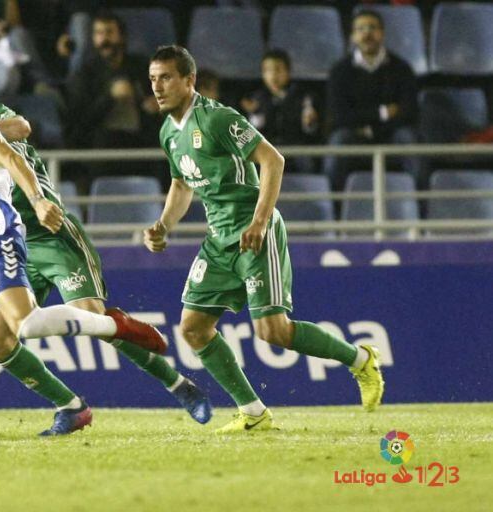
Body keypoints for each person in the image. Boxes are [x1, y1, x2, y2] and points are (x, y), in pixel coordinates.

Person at [0, 69, 213, 435]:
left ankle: (178, 386)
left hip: (49, 232)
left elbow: (21, 129)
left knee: (89, 316)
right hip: (0, 243)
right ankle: (71, 407)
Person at [144, 46, 385, 433]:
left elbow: (273, 160)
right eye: (153, 79)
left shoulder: (218, 118)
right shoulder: (167, 132)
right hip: (219, 239)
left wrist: (259, 221)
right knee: (193, 327)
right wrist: (164, 224)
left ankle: (360, 359)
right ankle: (253, 411)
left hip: (256, 233)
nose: (157, 86)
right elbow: (180, 183)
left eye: (166, 77)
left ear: (189, 81)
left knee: (272, 331)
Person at [324, 9, 420, 190]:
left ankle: (421, 210)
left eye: (372, 28)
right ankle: (333, 210)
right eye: (360, 29)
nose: (367, 33)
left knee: (410, 138)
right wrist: (382, 113)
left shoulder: (402, 68)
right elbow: (338, 116)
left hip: (392, 137)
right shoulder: (340, 71)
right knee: (339, 140)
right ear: (352, 36)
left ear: (382, 33)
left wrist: (370, 128)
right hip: (355, 138)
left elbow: (409, 112)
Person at [65, 10, 159, 149]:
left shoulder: (141, 66)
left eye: (109, 32)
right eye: (99, 33)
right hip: (101, 143)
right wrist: (110, 97)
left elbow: (157, 100)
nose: (104, 39)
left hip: (141, 139)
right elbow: (80, 122)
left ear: (122, 36)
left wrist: (156, 105)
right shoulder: (85, 73)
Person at [240, 49, 320, 174]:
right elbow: (253, 133)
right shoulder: (256, 98)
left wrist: (310, 122)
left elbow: (310, 131)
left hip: (295, 149)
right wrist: (254, 114)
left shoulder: (303, 96)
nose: (273, 75)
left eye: (278, 70)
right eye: (267, 70)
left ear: (288, 72)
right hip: (267, 149)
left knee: (307, 162)